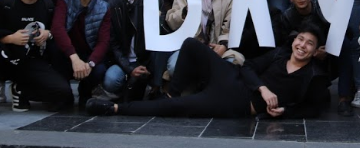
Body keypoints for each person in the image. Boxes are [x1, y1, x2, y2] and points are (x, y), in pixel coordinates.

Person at [86, 24, 330, 119]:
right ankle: (172, 91)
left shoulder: (313, 76)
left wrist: (284, 111)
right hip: (233, 78)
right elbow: (248, 67)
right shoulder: (279, 55)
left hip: (238, 104)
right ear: (294, 40)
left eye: (309, 43)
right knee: (191, 45)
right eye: (300, 39)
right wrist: (263, 88)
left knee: (177, 108)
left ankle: (114, 108)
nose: (302, 45)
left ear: (315, 50)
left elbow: (313, 109)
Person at [165, 0, 242, 75]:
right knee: (174, 66)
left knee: (235, 62)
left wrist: (223, 46)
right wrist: (185, 12)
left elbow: (229, 29)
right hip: (189, 47)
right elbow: (172, 22)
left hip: (215, 47)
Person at [50, 0, 110, 107]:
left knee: (99, 69)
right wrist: (74, 58)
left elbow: (103, 41)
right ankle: (63, 91)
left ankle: (85, 91)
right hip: (66, 54)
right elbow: (57, 28)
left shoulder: (104, 7)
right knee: (53, 51)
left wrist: (89, 64)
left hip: (87, 55)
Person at [104, 0, 165, 100]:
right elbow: (113, 44)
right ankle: (125, 91)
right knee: (110, 80)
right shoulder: (113, 5)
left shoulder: (155, 0)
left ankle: (148, 87)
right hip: (123, 60)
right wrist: (130, 68)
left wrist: (148, 65)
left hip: (147, 59)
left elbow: (160, 36)